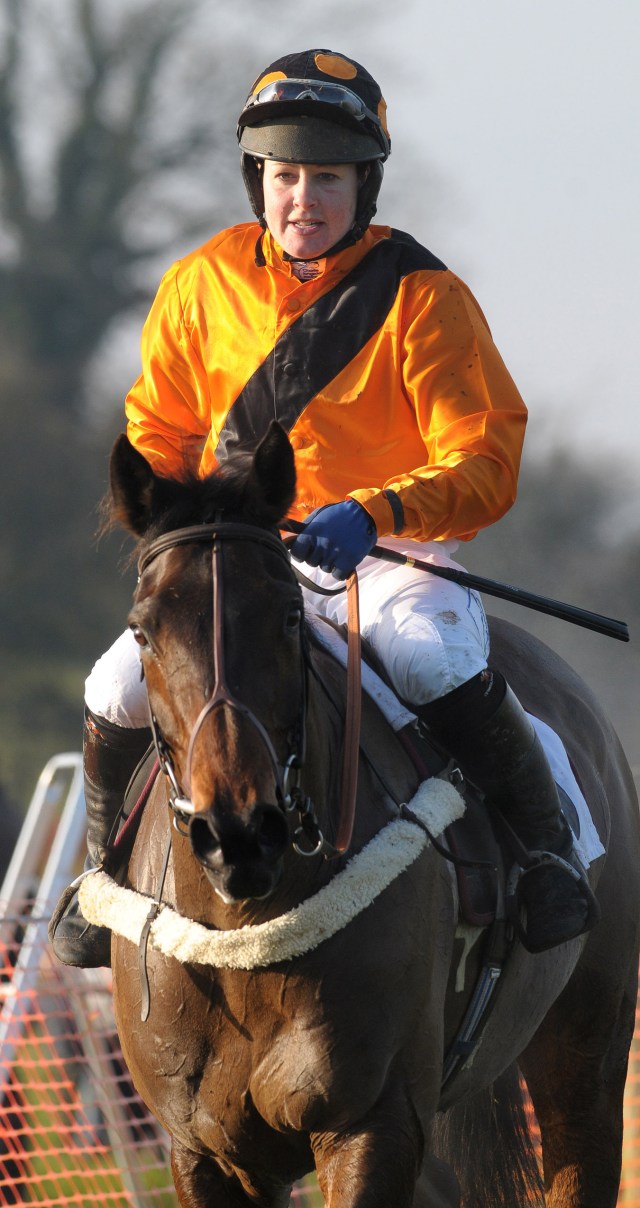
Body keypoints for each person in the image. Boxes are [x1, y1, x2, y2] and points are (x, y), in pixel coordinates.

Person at [50, 48, 597, 968]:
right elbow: (161, 424)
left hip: (384, 562)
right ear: (257, 179)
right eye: (286, 176)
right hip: (239, 556)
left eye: (328, 179)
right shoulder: (198, 284)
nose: (304, 199)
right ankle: (102, 875)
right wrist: (165, 510)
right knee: (114, 686)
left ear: (365, 185)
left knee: (432, 660)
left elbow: (485, 460)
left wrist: (378, 510)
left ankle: (543, 854)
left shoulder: (428, 301)